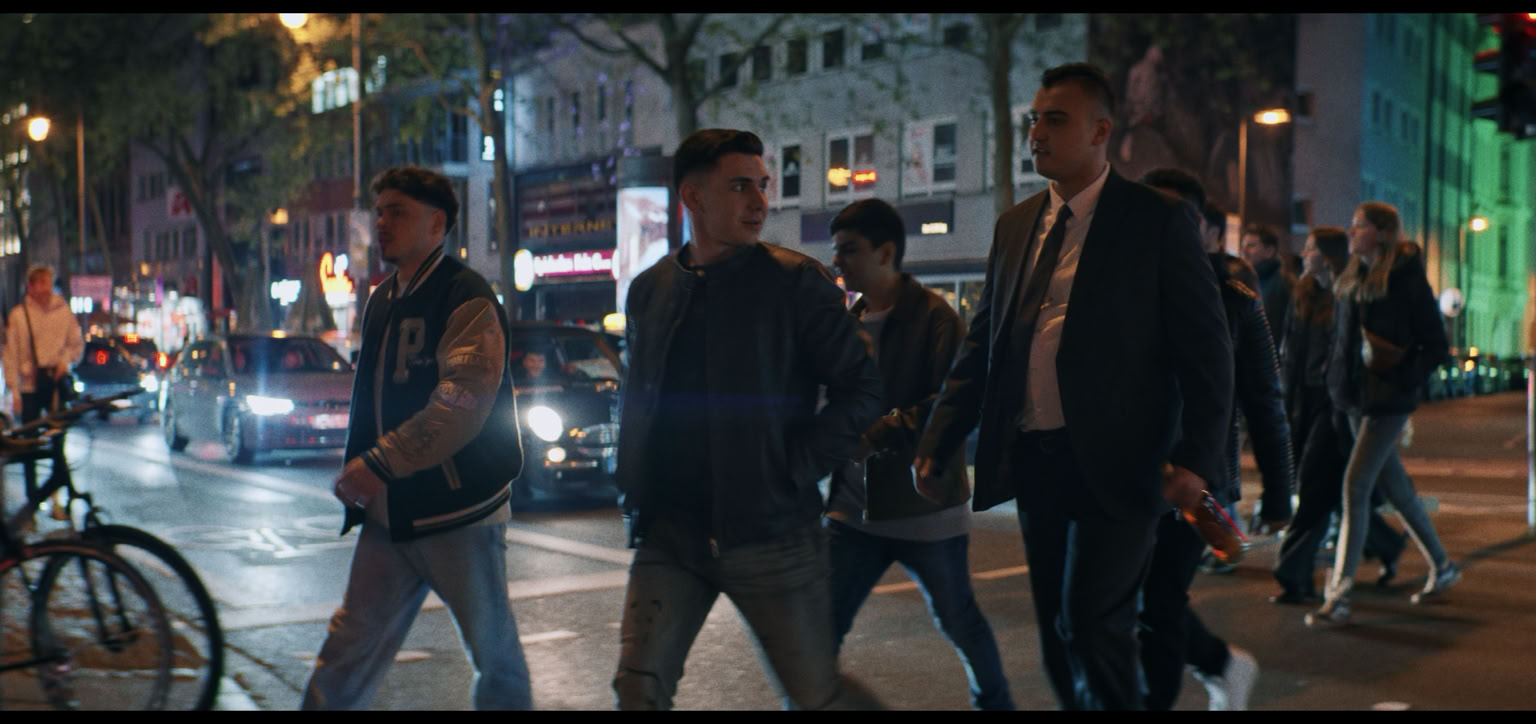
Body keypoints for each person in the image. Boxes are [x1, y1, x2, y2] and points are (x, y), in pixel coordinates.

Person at [913, 64, 1234, 711]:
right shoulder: (1015, 226)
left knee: (1091, 623)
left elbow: (1208, 352)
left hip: (1122, 464)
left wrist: (1199, 458)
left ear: (1101, 132)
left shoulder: (1154, 222)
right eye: (1033, 119)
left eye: (1054, 119)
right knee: (1058, 636)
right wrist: (939, 439)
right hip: (1036, 460)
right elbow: (986, 346)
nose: (1036, 132)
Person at [611, 129, 885, 710]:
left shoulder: (797, 283)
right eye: (740, 187)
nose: (760, 201)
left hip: (772, 533)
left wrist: (794, 467)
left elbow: (860, 388)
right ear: (693, 195)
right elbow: (640, 394)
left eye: (762, 185)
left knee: (816, 695)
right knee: (638, 687)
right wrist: (631, 482)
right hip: (671, 534)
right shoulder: (651, 289)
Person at [301, 166, 532, 710]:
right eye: (379, 211)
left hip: (459, 514)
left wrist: (375, 465)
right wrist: (373, 475)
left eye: (397, 211)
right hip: (391, 512)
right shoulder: (382, 298)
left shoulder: (465, 294)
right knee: (346, 650)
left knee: (495, 659)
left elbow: (462, 404)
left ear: (437, 224)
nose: (381, 223)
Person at [824, 198, 1013, 711]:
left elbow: (953, 401)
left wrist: (884, 431)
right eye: (835, 250)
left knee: (957, 618)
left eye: (849, 250)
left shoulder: (935, 317)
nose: (837, 261)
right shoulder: (846, 322)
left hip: (923, 507)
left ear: (887, 251)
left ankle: (995, 703)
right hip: (853, 508)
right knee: (820, 628)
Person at [1137, 168, 1293, 711]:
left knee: (1157, 603)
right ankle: (1222, 663)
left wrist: (1279, 492)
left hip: (1203, 482)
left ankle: (1212, 671)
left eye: (1177, 218)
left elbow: (1264, 397)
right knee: (1130, 598)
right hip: (1130, 472)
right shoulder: (1123, 285)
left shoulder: (1236, 298)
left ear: (1205, 230)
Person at [1307, 201, 1457, 627]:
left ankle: (1337, 596)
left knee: (1354, 485)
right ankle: (1443, 565)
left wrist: (1402, 379)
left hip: (1388, 402)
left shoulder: (1406, 281)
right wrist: (1333, 380)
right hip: (1354, 397)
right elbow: (1342, 340)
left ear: (1382, 233)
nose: (1351, 233)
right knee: (1396, 489)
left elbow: (1436, 347)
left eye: (1359, 226)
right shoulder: (1351, 277)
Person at [1271, 227, 1407, 603]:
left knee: (1316, 487)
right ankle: (1388, 544)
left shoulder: (1347, 296)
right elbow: (1290, 354)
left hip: (1336, 406)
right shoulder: (1303, 293)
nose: (1304, 252)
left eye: (1311, 247)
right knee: (1334, 490)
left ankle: (1293, 574)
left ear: (1327, 256)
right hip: (1306, 404)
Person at [2, 264, 84, 511]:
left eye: (48, 282)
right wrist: (13, 390)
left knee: (58, 442)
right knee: (29, 445)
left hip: (55, 384)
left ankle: (56, 496)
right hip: (29, 386)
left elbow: (76, 345)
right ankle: (32, 502)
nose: (45, 289)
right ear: (30, 287)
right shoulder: (19, 315)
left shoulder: (63, 312)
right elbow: (11, 354)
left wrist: (65, 361)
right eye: (39, 283)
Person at [1241, 222, 1294, 350]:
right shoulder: (1250, 278)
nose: (1243, 251)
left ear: (1269, 251)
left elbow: (1273, 332)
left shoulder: (1282, 283)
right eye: (1242, 246)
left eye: (1251, 246)